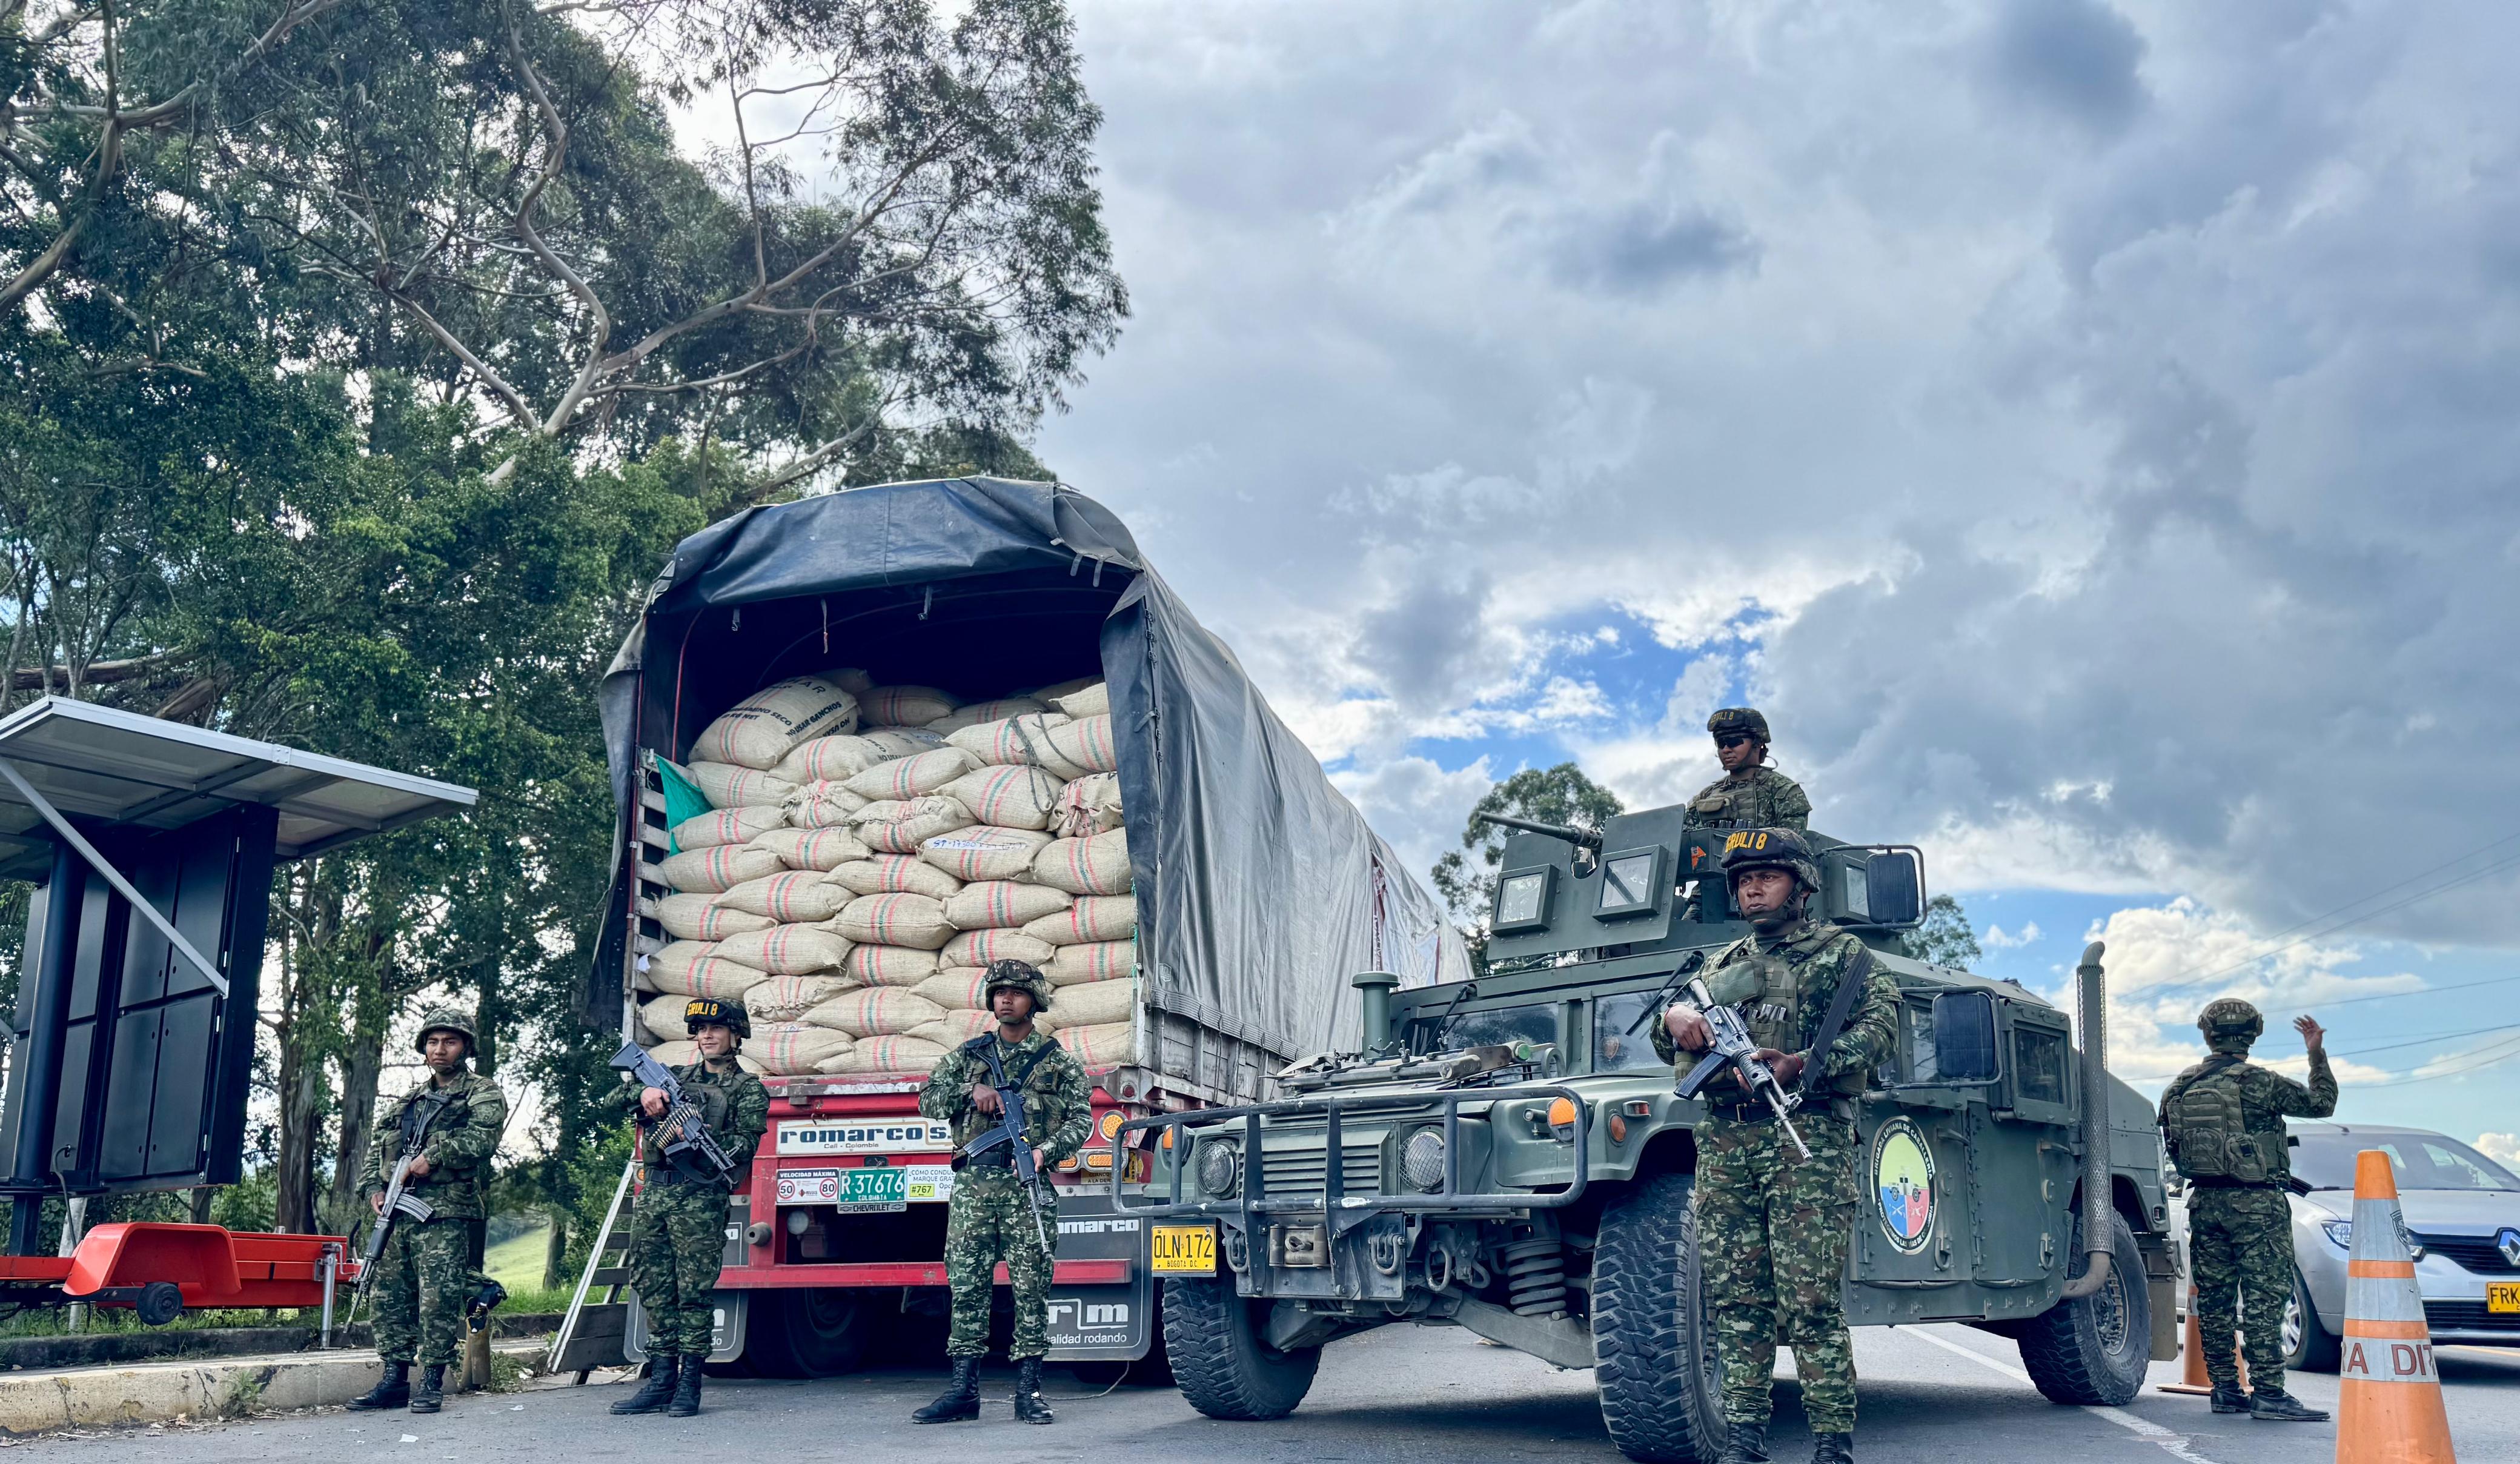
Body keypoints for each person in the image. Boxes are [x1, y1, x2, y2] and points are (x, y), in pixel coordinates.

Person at [1652, 829, 1899, 1464]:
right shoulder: (1720, 963)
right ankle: (1744, 1439)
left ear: (1800, 883)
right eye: (1740, 879)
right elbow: (1673, 1042)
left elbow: (1880, 1029)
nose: (1751, 887)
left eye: (1766, 875)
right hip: (1726, 1140)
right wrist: (1672, 1021)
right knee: (1736, 1299)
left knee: (1811, 1300)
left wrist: (1806, 1062)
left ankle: (1830, 1444)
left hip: (1804, 1135)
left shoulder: (1842, 956)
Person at [910, 960, 1092, 1426]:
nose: (1006, 999)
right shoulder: (969, 1055)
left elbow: (1082, 1121)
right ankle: (962, 1393)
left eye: (1016, 992)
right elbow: (927, 1098)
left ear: (1034, 1000)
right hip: (974, 1187)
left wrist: (1044, 1153)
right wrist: (972, 1090)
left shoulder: (1058, 1062)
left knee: (1032, 1290)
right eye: (999, 992)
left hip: (1025, 1187)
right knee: (967, 1288)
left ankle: (1028, 1392)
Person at [2157, 999, 2334, 1423]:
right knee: (2264, 1299)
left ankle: (2225, 1391)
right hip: (2257, 1204)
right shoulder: (2260, 1083)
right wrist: (2316, 1053)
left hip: (2204, 1202)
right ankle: (2270, 1393)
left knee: (2215, 1302)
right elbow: (2321, 1104)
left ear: (2208, 1033)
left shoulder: (2179, 1087)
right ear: (2252, 1035)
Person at [606, 997, 771, 1419]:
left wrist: (699, 1137)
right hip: (656, 1195)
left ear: (736, 1035)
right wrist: (645, 1093)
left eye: (716, 1029)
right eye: (699, 1030)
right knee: (652, 1285)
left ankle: (689, 1384)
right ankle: (660, 1381)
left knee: (693, 1291)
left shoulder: (748, 1089)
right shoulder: (672, 1078)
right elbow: (612, 1102)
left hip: (699, 1199)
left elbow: (745, 1147)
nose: (707, 1036)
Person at [350, 1008, 509, 1416]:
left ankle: (433, 1380)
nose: (440, 1050)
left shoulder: (481, 1091)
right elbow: (378, 1145)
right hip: (398, 1213)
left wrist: (434, 1156)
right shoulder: (411, 1099)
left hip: (445, 1213)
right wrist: (373, 1188)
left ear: (465, 1047)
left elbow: (484, 1138)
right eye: (433, 1042)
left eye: (450, 1041)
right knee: (389, 1297)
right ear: (424, 1048)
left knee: (436, 1298)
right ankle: (394, 1379)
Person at [1682, 708, 1811, 832]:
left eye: (1734, 741)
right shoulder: (1705, 796)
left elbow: (1792, 841)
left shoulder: (1782, 790)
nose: (1726, 749)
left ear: (1756, 743)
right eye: (1721, 743)